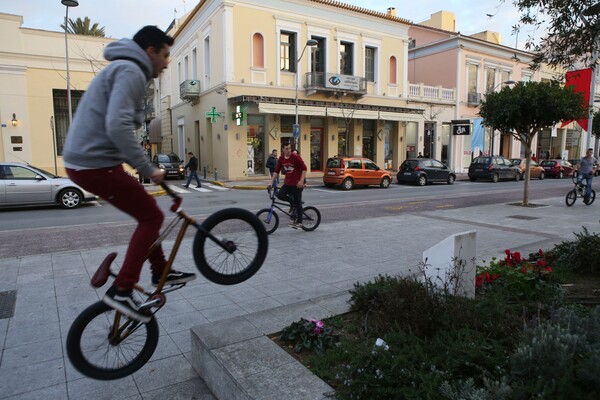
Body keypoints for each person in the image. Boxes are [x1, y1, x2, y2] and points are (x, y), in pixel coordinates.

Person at [62, 26, 196, 322]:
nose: (166, 62)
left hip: (93, 161)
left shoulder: (127, 69)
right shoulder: (131, 71)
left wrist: (140, 165)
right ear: (150, 51)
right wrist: (148, 168)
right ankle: (122, 290)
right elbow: (118, 127)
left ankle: (160, 270)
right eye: (164, 54)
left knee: (147, 214)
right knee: (151, 217)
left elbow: (118, 127)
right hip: (92, 163)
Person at [268, 143, 307, 229]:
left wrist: (301, 181)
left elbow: (304, 168)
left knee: (298, 203)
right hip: (288, 183)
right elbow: (276, 171)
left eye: (289, 148)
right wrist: (271, 182)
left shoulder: (295, 157)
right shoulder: (281, 158)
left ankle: (299, 222)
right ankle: (292, 202)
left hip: (297, 184)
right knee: (279, 195)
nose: (289, 150)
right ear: (283, 149)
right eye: (287, 148)